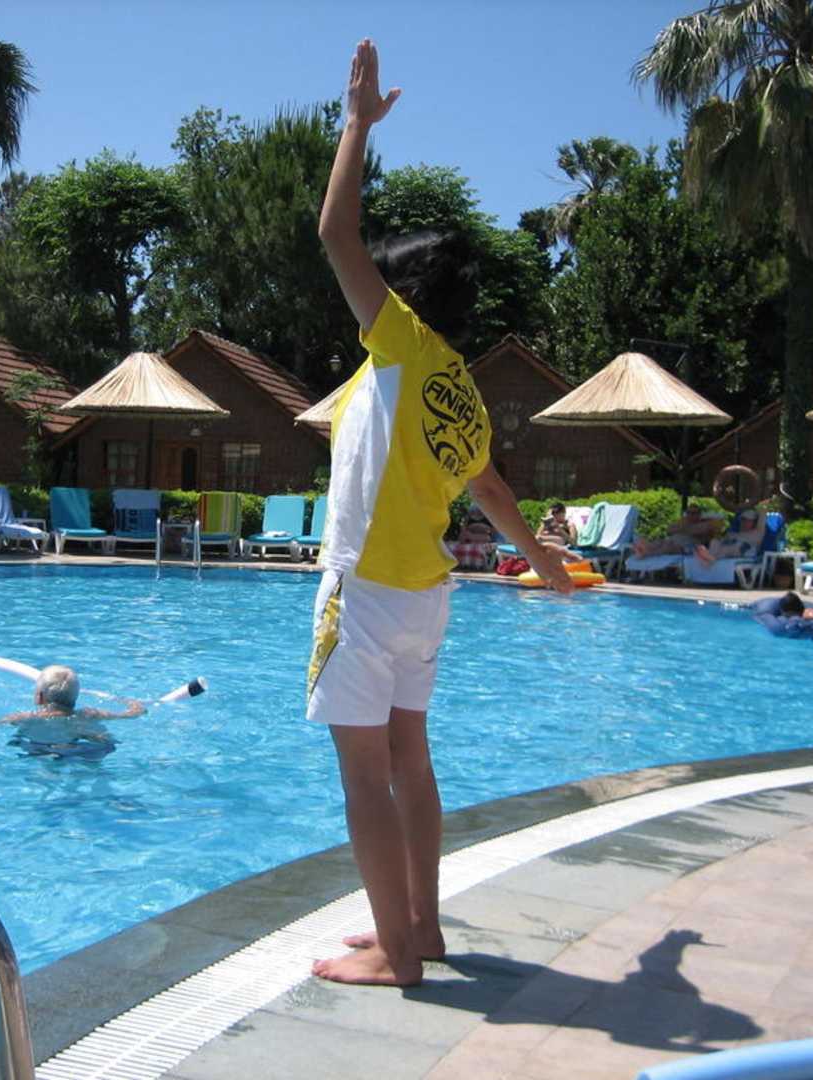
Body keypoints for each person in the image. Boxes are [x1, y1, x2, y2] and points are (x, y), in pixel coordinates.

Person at [309, 38, 572, 988]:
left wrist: (356, 125)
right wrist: (543, 563)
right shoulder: (455, 384)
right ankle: (420, 928)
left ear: (403, 295)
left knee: (363, 775)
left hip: (366, 589)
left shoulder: (402, 344)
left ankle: (397, 956)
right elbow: (492, 491)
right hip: (425, 595)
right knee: (409, 762)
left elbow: (335, 232)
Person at [0, 664, 146, 754]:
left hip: (38, 749)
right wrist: (133, 703)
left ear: (39, 697)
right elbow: (133, 714)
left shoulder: (25, 717)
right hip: (80, 748)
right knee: (101, 742)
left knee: (21, 743)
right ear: (76, 697)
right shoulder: (90, 714)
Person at [632, 504, 723, 557]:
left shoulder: (707, 524)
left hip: (689, 548)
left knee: (668, 546)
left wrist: (683, 527)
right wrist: (684, 527)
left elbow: (695, 531)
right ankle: (642, 549)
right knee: (660, 542)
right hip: (674, 541)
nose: (690, 515)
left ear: (699, 514)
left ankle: (646, 553)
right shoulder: (684, 522)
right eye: (689, 513)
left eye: (694, 513)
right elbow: (669, 529)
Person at [693, 507, 765, 566]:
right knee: (715, 542)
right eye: (743, 520)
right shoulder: (734, 534)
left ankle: (709, 558)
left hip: (744, 559)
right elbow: (721, 540)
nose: (745, 522)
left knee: (732, 548)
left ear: (754, 523)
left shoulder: (757, 534)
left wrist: (761, 510)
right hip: (726, 557)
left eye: (749, 521)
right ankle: (707, 558)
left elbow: (762, 514)